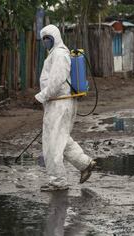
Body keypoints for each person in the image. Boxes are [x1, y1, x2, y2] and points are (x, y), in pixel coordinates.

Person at [35, 24, 96, 191]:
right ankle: (85, 164)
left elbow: (56, 81)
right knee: (61, 137)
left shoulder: (60, 54)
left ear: (56, 38)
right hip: (57, 102)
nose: (46, 42)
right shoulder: (55, 53)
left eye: (49, 38)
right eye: (44, 39)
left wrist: (42, 96)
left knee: (53, 142)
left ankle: (58, 181)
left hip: (59, 103)